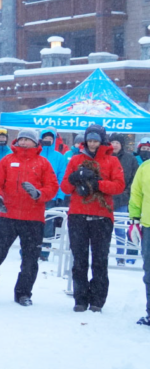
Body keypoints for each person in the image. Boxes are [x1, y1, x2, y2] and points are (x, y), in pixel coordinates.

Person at [0, 129, 58, 306]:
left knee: (30, 260)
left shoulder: (43, 163)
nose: (23, 143)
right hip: (8, 216)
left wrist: (39, 193)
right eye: (21, 139)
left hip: (33, 219)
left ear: (35, 143)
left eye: (27, 140)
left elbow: (52, 187)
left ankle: (23, 294)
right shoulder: (7, 160)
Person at [59, 124, 126, 313]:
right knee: (79, 259)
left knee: (99, 260)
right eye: (90, 140)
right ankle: (80, 298)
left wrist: (97, 184)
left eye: (96, 140)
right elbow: (64, 188)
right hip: (78, 214)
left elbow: (119, 186)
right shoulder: (75, 159)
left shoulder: (112, 161)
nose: (92, 143)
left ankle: (97, 299)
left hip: (102, 216)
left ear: (102, 141)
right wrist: (74, 178)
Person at [37, 128, 69, 261]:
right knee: (32, 224)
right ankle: (29, 249)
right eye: (45, 138)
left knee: (48, 224)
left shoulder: (59, 157)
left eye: (51, 138)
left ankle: (45, 251)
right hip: (35, 195)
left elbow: (62, 177)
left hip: (51, 196)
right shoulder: (36, 155)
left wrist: (60, 196)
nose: (48, 140)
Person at [109, 134, 140, 265]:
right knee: (102, 231)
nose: (115, 145)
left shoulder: (130, 159)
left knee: (120, 231)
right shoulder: (105, 158)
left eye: (117, 142)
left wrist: (126, 193)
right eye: (113, 142)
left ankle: (120, 256)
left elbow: (134, 178)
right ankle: (100, 256)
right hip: (105, 199)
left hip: (122, 199)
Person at [128, 156, 150, 325]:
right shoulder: (145, 167)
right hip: (148, 226)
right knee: (149, 272)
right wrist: (134, 219)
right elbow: (136, 193)